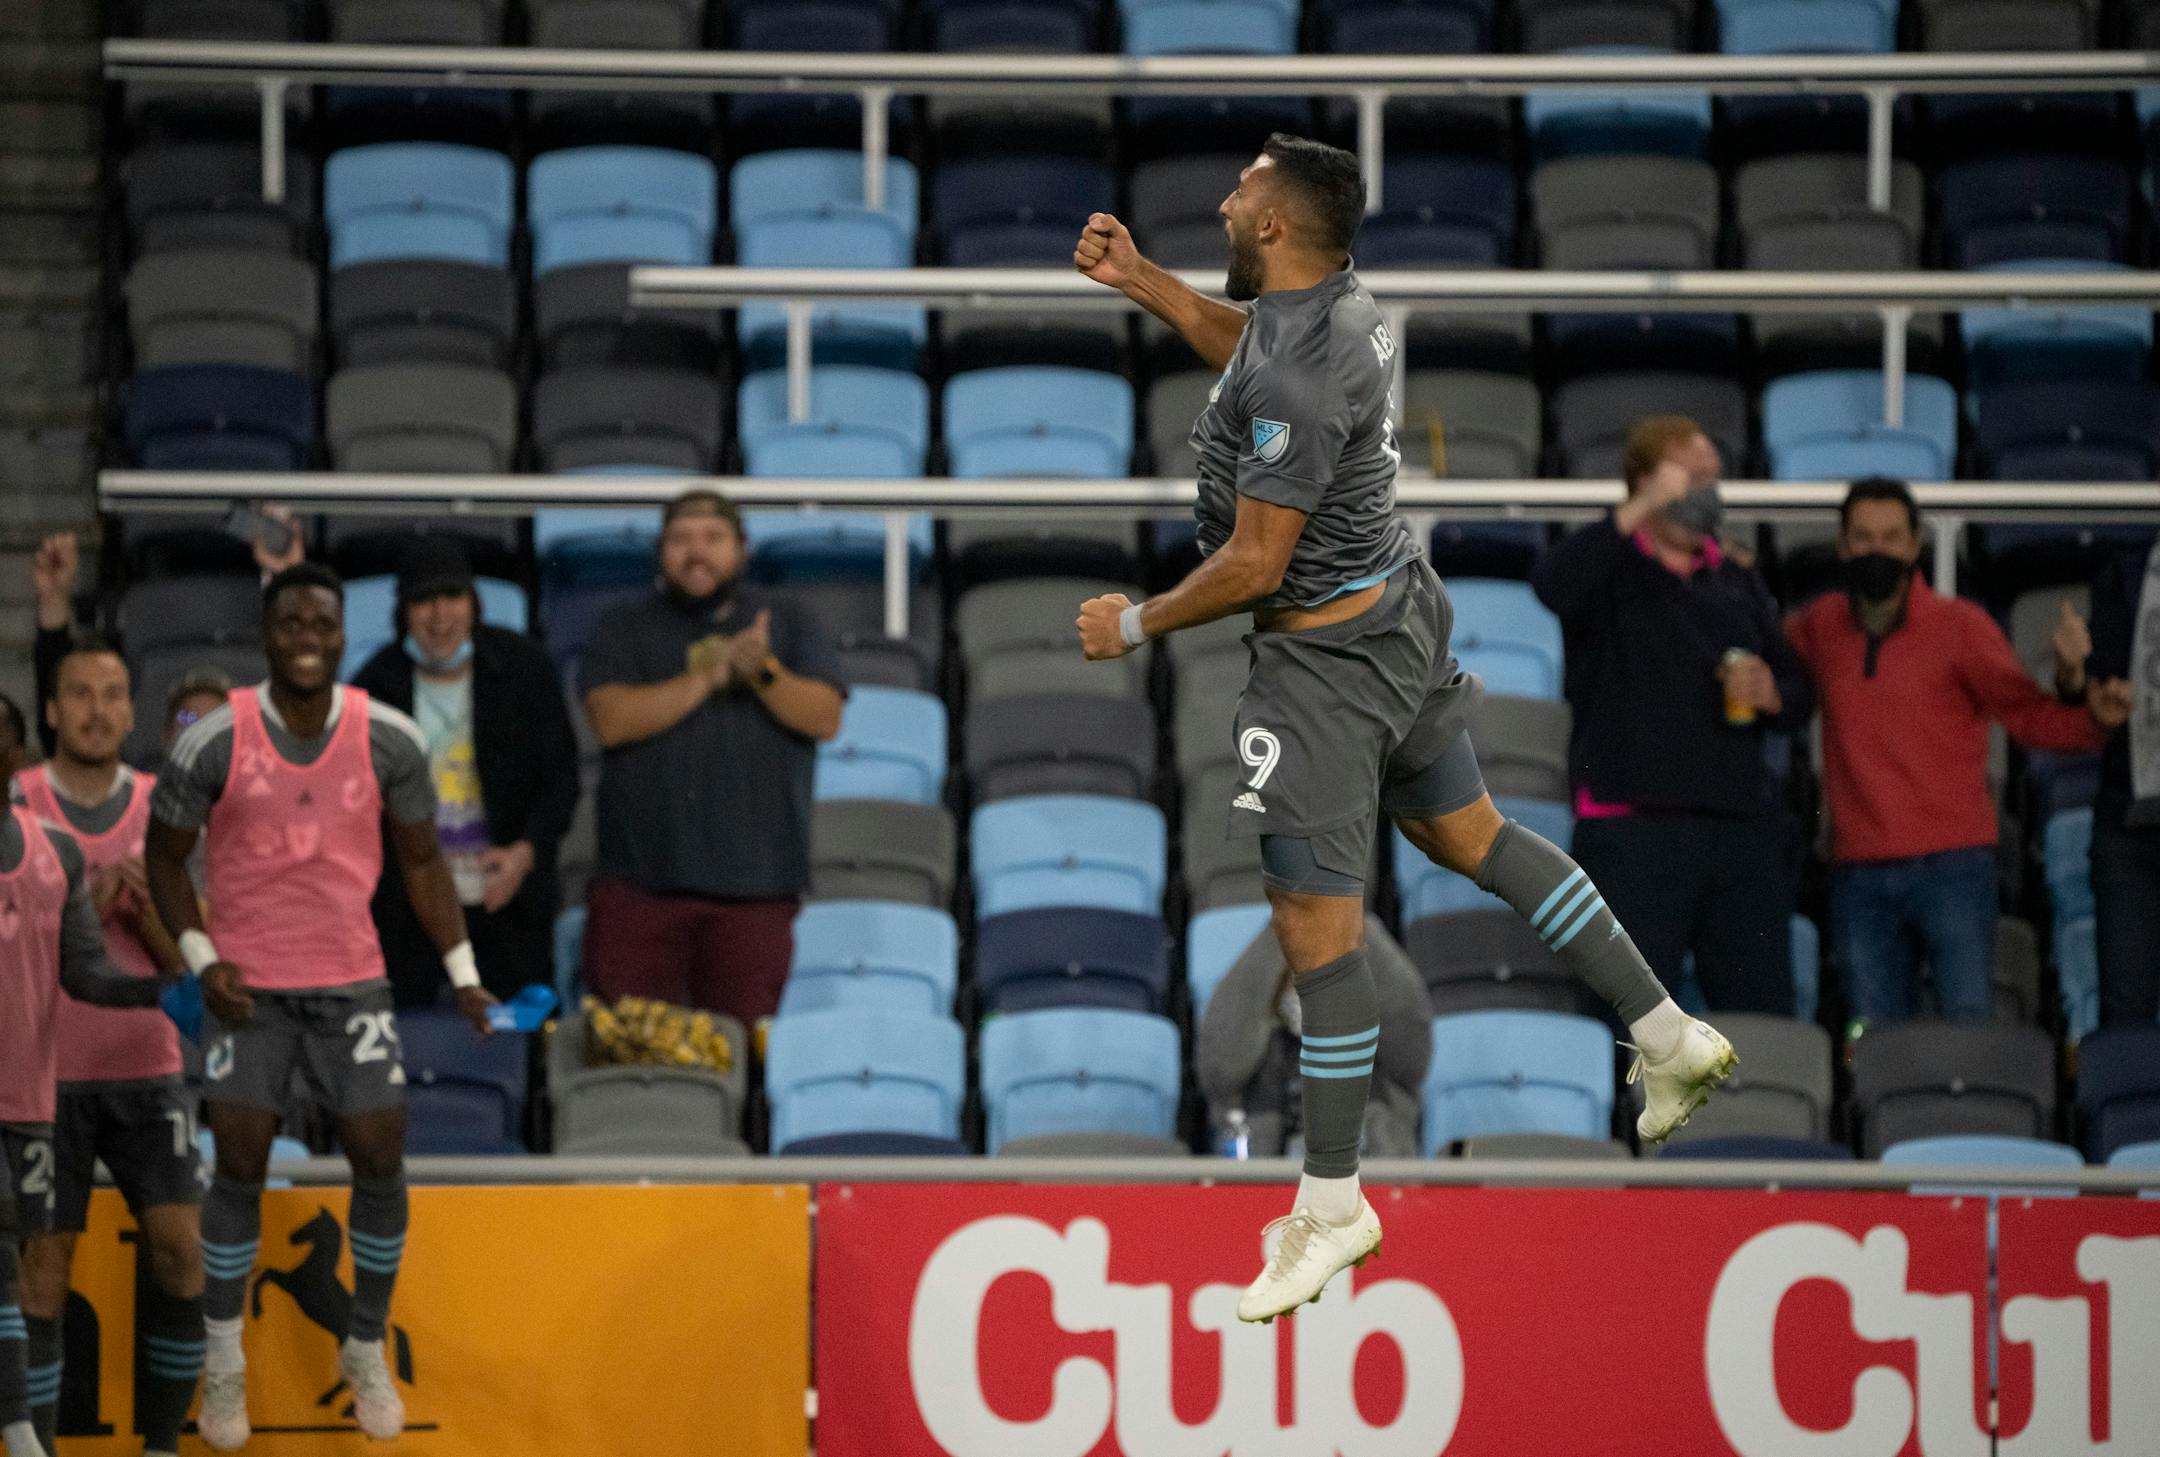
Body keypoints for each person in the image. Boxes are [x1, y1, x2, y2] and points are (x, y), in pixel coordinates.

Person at [1072, 135, 1732, 1325]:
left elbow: (1255, 557)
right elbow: (1254, 358)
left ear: (1275, 226)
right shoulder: (1346, 306)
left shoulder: (1298, 364)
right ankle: (1663, 1024)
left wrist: (1136, 623)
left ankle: (1331, 1204)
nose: (1223, 198)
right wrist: (1150, 286)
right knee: (1473, 833)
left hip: (1325, 663)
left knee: (1313, 930)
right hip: (1396, 613)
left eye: (1239, 192)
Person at [143, 563, 499, 1451]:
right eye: (290, 620)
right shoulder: (214, 740)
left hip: (352, 983)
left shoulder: (389, 737)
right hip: (248, 989)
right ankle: (223, 1361)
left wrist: (461, 970)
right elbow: (163, 861)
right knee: (242, 1163)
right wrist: (202, 957)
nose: (307, 633)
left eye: (322, 622)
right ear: (267, 635)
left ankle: (365, 1342)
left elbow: (422, 864)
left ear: (343, 635)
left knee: (381, 1152)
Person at [1785, 479, 2127, 1035]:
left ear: (1916, 543)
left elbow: (2028, 715)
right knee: (1875, 1045)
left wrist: (2088, 708)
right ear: (1843, 548)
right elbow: (1761, 653)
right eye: (1863, 537)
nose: (1878, 550)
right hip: (1858, 876)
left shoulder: (1960, 627)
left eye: (1892, 537)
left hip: (1954, 869)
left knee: (1969, 1033)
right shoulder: (1821, 626)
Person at [1530, 415, 1813, 1016]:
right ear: (1645, 482)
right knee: (1625, 1018)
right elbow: (1553, 584)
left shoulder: (1735, 581)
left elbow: (1799, 689)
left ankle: (1748, 1114)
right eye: (1692, 478)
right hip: (1633, 835)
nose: (1707, 492)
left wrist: (1773, 693)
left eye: (1714, 478)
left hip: (1738, 833)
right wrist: (1640, 507)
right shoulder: (1608, 570)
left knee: (1761, 1012)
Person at [11, 640, 207, 1457]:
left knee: (182, 1254)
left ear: (133, 711)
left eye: (113, 694)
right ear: (51, 710)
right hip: (40, 1079)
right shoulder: (15, 803)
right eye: (79, 694)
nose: (96, 709)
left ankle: (162, 1448)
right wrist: (78, 912)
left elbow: (192, 960)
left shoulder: (167, 809)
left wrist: (148, 916)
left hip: (147, 1068)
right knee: (42, 1273)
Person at [579, 491, 845, 1028]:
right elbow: (610, 720)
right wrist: (708, 678)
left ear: (742, 550)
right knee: (629, 1063)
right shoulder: (622, 626)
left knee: (740, 1065)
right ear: (660, 551)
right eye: (681, 539)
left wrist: (762, 672)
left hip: (754, 893)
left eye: (713, 539)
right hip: (638, 890)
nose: (696, 553)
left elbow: (823, 717)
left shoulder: (788, 620)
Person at [351, 537, 579, 1005]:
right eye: (423, 600)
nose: (439, 616)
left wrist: (526, 853)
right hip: (407, 905)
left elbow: (561, 778)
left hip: (507, 899)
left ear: (473, 602)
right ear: (403, 610)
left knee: (516, 1037)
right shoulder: (375, 684)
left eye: (451, 597)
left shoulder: (525, 667)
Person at [1196, 913, 1430, 1160]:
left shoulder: (1380, 1057)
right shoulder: (1254, 1058)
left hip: (1371, 1189)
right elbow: (1218, 1069)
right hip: (1269, 1192)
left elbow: (1411, 1036)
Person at [2066, 534, 2160, 1026]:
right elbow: (2092, 695)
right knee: (2127, 1018)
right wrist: (2075, 678)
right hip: (2132, 826)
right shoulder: (2123, 575)